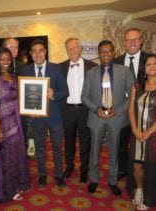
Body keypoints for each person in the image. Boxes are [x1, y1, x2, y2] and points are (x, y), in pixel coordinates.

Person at [81, 40, 134, 196]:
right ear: (98, 54)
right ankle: (94, 179)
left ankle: (112, 180)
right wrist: (96, 109)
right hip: (96, 117)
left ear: (114, 53)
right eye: (102, 51)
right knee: (94, 151)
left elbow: (132, 94)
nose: (105, 54)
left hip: (116, 117)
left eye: (108, 51)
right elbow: (84, 96)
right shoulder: (90, 73)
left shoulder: (124, 71)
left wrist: (117, 110)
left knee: (114, 151)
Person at [127, 53, 156, 210]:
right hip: (137, 134)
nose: (152, 66)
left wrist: (148, 132)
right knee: (137, 166)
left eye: (155, 64)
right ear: (144, 68)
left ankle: (150, 197)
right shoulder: (137, 86)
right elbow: (131, 110)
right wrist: (135, 130)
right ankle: (139, 190)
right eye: (148, 64)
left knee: (153, 168)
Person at [20, 39, 69, 187]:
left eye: (41, 50)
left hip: (54, 117)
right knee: (40, 147)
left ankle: (59, 174)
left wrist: (54, 94)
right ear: (30, 54)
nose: (38, 54)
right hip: (36, 118)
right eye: (34, 51)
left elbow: (65, 91)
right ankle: (42, 173)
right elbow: (23, 95)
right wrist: (27, 112)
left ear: (45, 52)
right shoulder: (25, 71)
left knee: (57, 148)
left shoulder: (56, 69)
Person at [0, 47, 31, 203]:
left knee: (17, 154)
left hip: (17, 119)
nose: (6, 61)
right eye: (2, 59)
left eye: (8, 58)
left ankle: (16, 184)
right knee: (7, 156)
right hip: (4, 121)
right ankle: (7, 189)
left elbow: (19, 97)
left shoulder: (12, 76)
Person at [60, 37, 97, 183]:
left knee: (85, 142)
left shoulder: (92, 66)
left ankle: (84, 170)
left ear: (81, 49)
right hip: (67, 110)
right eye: (69, 49)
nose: (72, 51)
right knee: (68, 141)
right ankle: (69, 167)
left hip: (85, 110)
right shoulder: (60, 67)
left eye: (74, 48)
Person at [113, 27, 149, 181]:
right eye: (129, 40)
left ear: (141, 41)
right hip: (121, 109)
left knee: (142, 143)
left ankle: (142, 171)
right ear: (124, 43)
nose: (132, 43)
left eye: (136, 39)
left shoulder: (151, 60)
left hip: (143, 110)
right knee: (121, 141)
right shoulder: (116, 61)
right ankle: (122, 170)